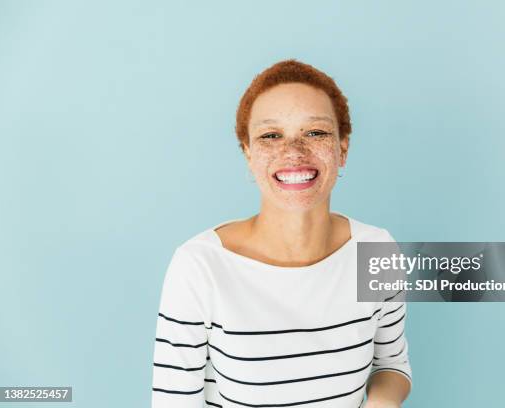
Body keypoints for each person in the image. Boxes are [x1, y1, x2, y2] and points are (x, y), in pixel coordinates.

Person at [151, 59, 412, 408]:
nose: (293, 152)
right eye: (271, 136)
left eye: (315, 132)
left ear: (342, 149)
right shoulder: (200, 266)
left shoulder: (376, 250)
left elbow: (392, 365)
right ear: (248, 153)